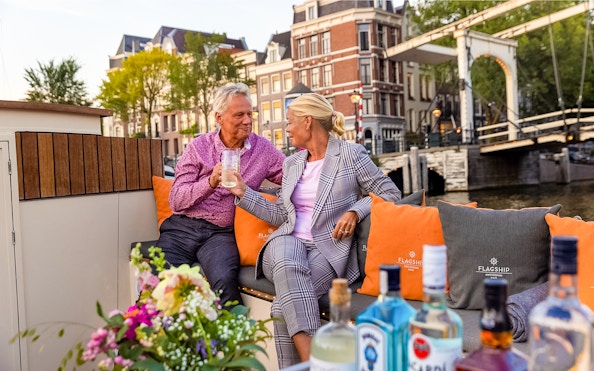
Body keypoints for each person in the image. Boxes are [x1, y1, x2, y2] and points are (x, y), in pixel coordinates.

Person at [226, 93, 401, 368]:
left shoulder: (350, 154)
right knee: (287, 255)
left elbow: (390, 193)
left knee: (282, 308)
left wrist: (356, 211)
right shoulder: (291, 163)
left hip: (327, 249)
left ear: (308, 122)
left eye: (290, 122)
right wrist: (243, 192)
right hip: (286, 242)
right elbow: (282, 215)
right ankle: (316, 362)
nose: (286, 129)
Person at [156, 82, 284, 307]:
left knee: (225, 283)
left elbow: (293, 175)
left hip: (221, 233)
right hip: (183, 228)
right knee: (160, 285)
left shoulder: (262, 149)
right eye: (239, 115)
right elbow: (176, 199)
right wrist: (210, 182)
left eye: (249, 114)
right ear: (219, 117)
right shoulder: (198, 147)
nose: (247, 120)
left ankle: (228, 340)